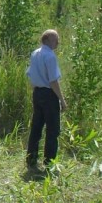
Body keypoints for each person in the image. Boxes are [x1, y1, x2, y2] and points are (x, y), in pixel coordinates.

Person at [26, 29, 66, 171]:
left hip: (37, 93)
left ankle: (31, 159)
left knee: (36, 127)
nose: (58, 42)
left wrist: (36, 90)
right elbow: (53, 81)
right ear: (47, 39)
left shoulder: (34, 54)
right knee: (52, 130)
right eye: (56, 39)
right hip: (49, 95)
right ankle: (49, 163)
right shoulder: (50, 56)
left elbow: (30, 74)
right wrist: (61, 99)